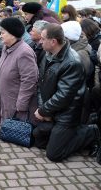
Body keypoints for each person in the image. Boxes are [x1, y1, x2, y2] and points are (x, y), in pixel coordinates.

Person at [34, 23, 101, 164]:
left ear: (53, 42)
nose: (40, 41)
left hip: (68, 113)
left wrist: (43, 110)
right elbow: (41, 84)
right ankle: (64, 134)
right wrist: (43, 110)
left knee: (54, 154)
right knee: (38, 140)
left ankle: (91, 131)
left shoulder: (72, 62)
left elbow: (64, 96)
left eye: (43, 38)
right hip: (53, 109)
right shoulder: (48, 54)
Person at [0, 17, 38, 124]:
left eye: (3, 33)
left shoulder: (24, 52)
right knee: (6, 130)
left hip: (16, 103)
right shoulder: (6, 47)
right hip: (6, 99)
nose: (0, 36)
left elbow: (29, 80)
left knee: (14, 132)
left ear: (12, 34)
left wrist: (21, 104)